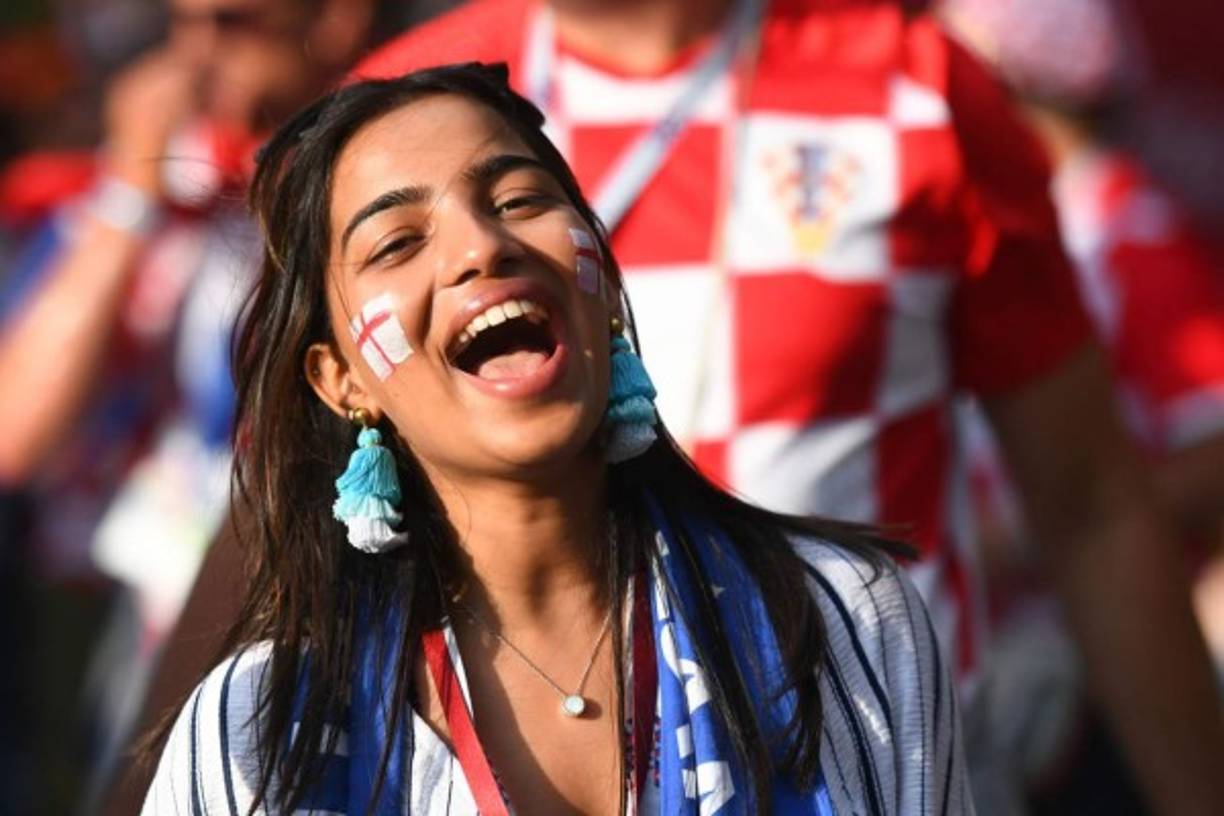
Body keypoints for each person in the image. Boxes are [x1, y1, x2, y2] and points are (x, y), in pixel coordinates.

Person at [345, 2, 1224, 814]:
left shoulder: (920, 89)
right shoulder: (407, 99)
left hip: (898, 775)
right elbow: (298, 467)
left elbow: (1093, 506)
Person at [143, 62, 969, 814]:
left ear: (602, 281)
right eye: (398, 242)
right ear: (344, 380)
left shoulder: (841, 621)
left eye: (518, 201)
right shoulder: (254, 739)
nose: (483, 247)